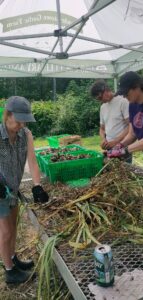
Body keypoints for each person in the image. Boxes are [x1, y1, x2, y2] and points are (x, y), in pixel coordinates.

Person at [0, 96, 49, 284]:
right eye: (18, 120)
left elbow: (32, 161)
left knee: (13, 227)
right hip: (0, 190)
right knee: (5, 231)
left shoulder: (26, 134)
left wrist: (37, 186)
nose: (21, 124)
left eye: (24, 120)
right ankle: (10, 272)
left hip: (13, 189)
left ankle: (13, 258)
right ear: (8, 115)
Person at [90, 79, 131, 162]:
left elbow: (130, 126)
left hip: (123, 146)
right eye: (98, 99)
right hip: (109, 147)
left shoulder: (123, 101)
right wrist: (103, 140)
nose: (101, 100)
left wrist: (116, 141)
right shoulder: (103, 107)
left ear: (106, 90)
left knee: (125, 172)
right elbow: (102, 128)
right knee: (112, 171)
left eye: (101, 97)